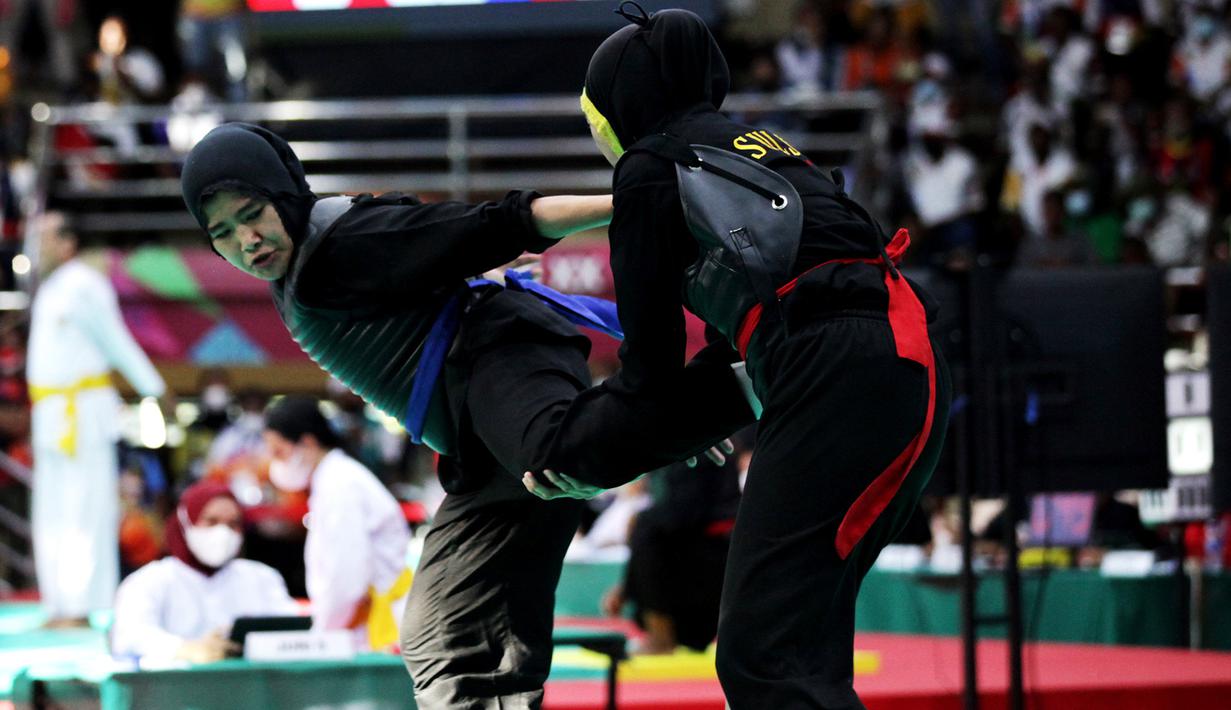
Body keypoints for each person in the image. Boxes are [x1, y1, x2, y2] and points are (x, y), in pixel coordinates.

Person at [179, 123, 747, 708]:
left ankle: (733, 385)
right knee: (440, 637)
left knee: (554, 462)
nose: (245, 241)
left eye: (252, 214)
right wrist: (657, 430)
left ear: (285, 194)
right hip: (478, 440)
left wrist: (635, 205)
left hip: (500, 357)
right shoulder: (299, 264)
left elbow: (498, 224)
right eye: (221, 233)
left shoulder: (346, 243)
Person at [527, 7, 952, 708]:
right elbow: (754, 329)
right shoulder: (760, 146)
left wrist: (577, 454)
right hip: (902, 359)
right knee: (801, 651)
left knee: (765, 658)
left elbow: (650, 366)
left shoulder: (648, 165)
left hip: (837, 369)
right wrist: (690, 419)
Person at [27, 211, 168, 627]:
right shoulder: (51, 288)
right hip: (50, 412)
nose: (35, 245)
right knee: (52, 512)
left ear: (68, 243)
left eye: (44, 237)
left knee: (84, 510)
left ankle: (86, 606)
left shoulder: (85, 284)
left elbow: (115, 340)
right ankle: (58, 604)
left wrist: (154, 388)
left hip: (84, 411)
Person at [262, 396, 410, 651]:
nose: (274, 461)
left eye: (278, 451)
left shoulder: (339, 486)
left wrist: (321, 636)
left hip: (378, 625)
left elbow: (346, 579)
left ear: (307, 443)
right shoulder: (335, 479)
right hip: (368, 620)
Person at [111, 481, 298, 664]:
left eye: (233, 524)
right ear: (186, 523)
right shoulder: (149, 581)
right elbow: (128, 636)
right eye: (211, 521)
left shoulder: (262, 578)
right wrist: (184, 649)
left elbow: (292, 632)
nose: (223, 531)